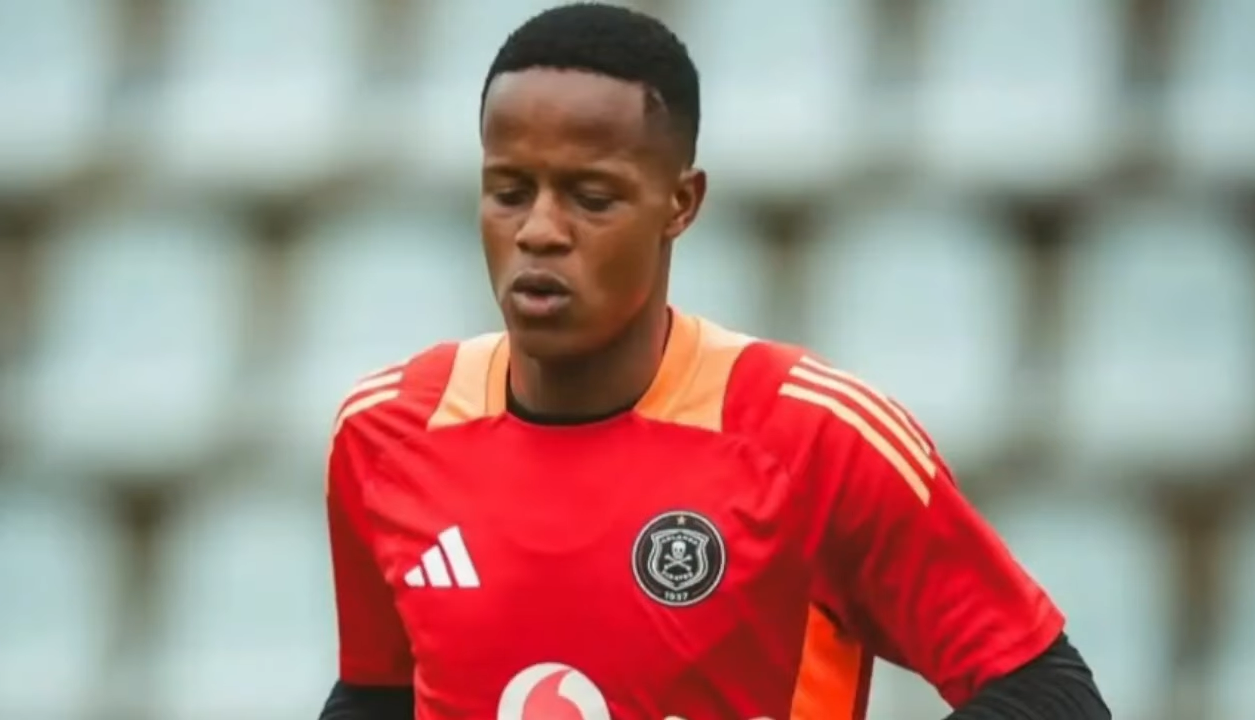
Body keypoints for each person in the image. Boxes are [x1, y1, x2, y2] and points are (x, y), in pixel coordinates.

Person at [318, 3, 1110, 719]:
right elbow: (376, 696)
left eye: (591, 198)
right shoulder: (386, 432)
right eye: (509, 191)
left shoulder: (814, 439)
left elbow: (1052, 695)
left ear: (681, 203)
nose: (540, 231)